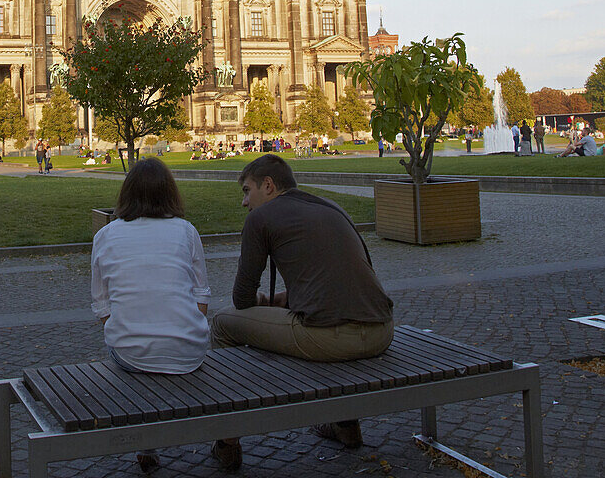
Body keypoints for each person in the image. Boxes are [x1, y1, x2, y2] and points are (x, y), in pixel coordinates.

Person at [210, 154, 394, 468]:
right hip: (382, 330)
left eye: (246, 190)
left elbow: (241, 299)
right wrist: (284, 301)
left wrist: (266, 307)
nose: (244, 202)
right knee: (319, 327)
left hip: (330, 337)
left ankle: (228, 440)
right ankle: (346, 424)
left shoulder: (260, 218)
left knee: (222, 323)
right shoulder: (332, 207)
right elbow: (345, 282)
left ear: (267, 186)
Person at [91, 157, 210, 472]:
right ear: (170, 193)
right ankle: (226, 440)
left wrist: (129, 328)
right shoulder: (186, 231)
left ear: (126, 193)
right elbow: (202, 297)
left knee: (128, 350)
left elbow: (101, 306)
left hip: (128, 353)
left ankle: (146, 446)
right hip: (190, 352)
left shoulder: (105, 235)